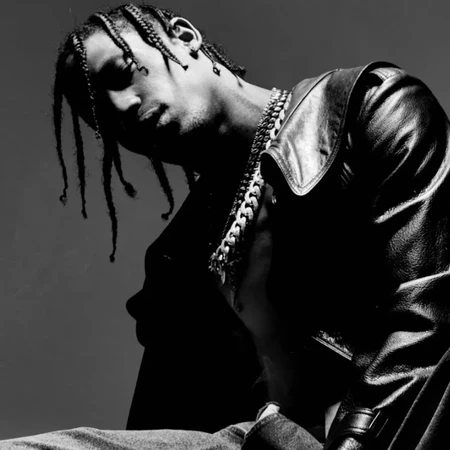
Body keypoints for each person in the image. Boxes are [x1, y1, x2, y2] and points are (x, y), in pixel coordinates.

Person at [3, 2, 450, 449]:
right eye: (103, 117)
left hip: (393, 426)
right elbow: (158, 426)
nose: (122, 108)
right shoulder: (177, 260)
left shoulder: (366, 110)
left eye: (121, 74)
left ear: (184, 37)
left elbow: (428, 315)